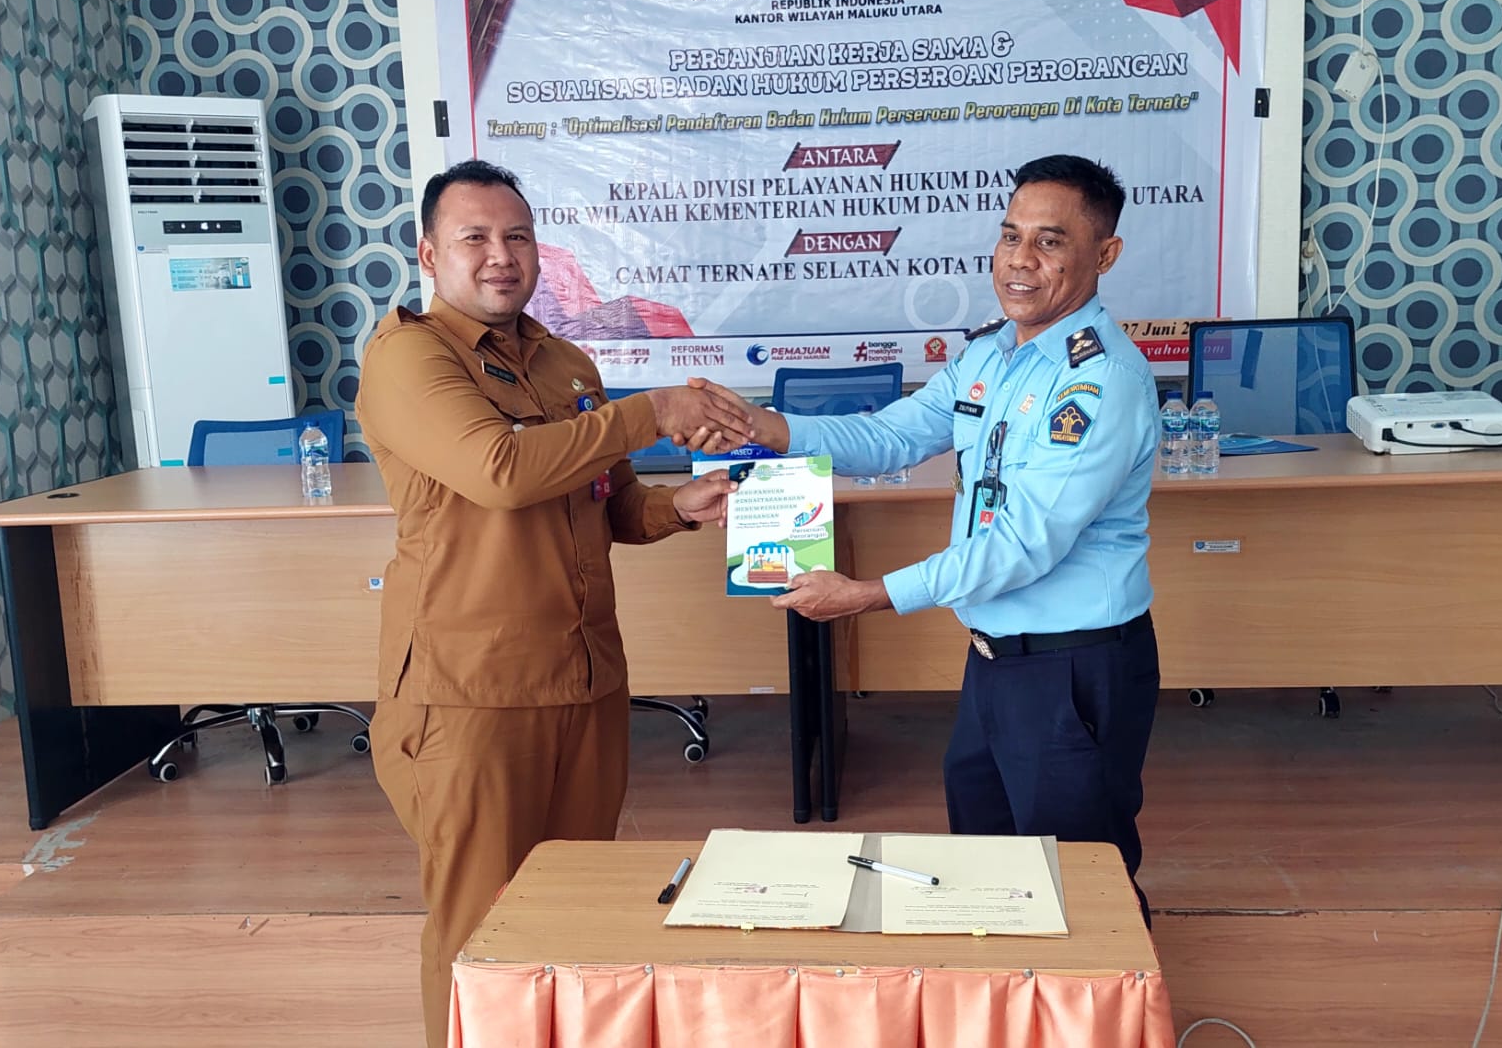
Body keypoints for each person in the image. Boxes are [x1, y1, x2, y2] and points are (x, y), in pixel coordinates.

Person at [355, 158, 754, 1047]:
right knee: (479, 931)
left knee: (575, 914)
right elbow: (501, 471)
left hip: (583, 680)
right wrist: (652, 410)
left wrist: (678, 506)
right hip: (472, 693)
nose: (501, 255)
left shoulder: (567, 363)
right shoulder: (410, 355)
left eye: (518, 236)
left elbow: (607, 503)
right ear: (429, 253)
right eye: (475, 237)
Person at [743, 154, 1162, 923]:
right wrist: (766, 427)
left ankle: (1114, 994)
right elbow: (889, 435)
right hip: (996, 659)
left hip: (1072, 666)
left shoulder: (1101, 382)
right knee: (987, 863)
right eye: (1009, 236)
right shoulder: (989, 354)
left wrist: (870, 594)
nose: (1018, 260)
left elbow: (1023, 545)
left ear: (1104, 255)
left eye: (1048, 241)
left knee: (1081, 881)